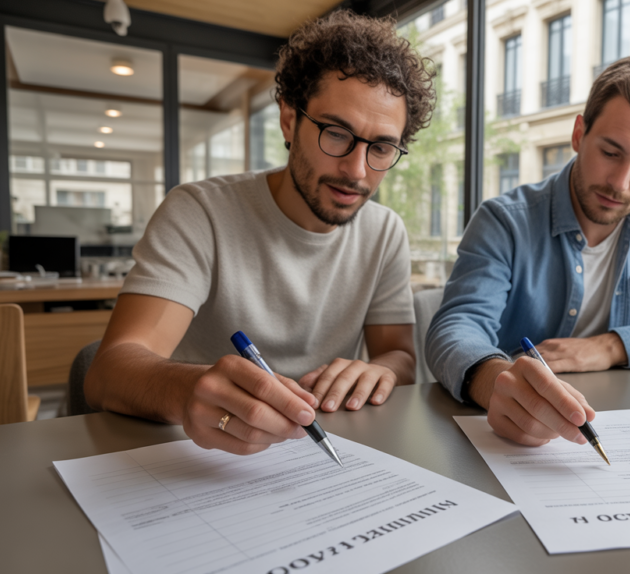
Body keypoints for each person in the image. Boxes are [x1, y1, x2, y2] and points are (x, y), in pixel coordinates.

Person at [85, 11, 436, 455]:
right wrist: (191, 387)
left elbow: (400, 358)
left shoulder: (385, 232)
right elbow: (109, 372)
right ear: (289, 120)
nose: (356, 170)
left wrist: (380, 370)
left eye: (382, 147)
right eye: (336, 133)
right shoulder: (200, 212)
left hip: (326, 450)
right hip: (197, 449)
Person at [426, 53, 630, 448]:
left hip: (621, 428)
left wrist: (609, 347)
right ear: (579, 134)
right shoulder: (504, 221)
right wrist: (496, 382)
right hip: (505, 439)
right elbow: (454, 329)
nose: (621, 184)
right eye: (611, 153)